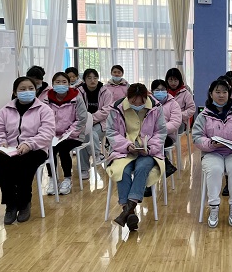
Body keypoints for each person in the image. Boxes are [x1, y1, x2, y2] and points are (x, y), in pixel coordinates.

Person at [0, 77, 55, 224]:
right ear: (15, 92)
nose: (27, 91)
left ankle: (24, 202)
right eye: (22, 89)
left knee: (24, 165)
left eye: (31, 89)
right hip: (11, 149)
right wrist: (0, 143)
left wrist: (29, 144)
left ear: (36, 90)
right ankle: (10, 204)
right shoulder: (5, 110)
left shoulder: (44, 110)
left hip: (36, 149)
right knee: (2, 166)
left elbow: (47, 132)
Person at [106, 83, 167, 231]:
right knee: (123, 171)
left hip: (148, 151)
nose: (138, 105)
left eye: (141, 102)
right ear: (128, 98)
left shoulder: (155, 107)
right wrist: (127, 145)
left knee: (142, 167)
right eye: (134, 102)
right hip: (123, 151)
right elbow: (112, 132)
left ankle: (126, 211)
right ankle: (130, 211)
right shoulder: (117, 108)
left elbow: (160, 132)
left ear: (147, 98)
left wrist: (150, 148)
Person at [193, 79, 232, 228]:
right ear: (211, 94)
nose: (221, 95)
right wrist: (210, 143)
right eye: (217, 92)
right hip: (212, 152)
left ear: (229, 94)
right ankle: (214, 207)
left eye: (225, 92)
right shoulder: (204, 115)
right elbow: (197, 137)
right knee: (215, 169)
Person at [43, 72, 88, 196]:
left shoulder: (77, 98)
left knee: (63, 148)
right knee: (49, 148)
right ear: (53, 84)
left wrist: (67, 134)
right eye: (57, 82)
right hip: (53, 135)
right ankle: (53, 179)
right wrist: (51, 134)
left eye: (64, 82)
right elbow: (43, 119)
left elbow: (81, 119)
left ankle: (67, 179)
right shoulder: (46, 99)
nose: (61, 84)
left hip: (74, 135)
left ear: (69, 84)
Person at [77, 69, 114, 179]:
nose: (92, 80)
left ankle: (84, 168)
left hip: (101, 123)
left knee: (87, 134)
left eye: (95, 78)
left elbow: (107, 110)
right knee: (84, 135)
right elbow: (76, 109)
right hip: (83, 123)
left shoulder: (105, 92)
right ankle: (97, 155)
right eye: (89, 78)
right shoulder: (78, 92)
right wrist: (86, 121)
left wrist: (91, 119)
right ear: (84, 80)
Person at [151, 79, 183, 147]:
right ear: (152, 91)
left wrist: (160, 130)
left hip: (167, 135)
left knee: (156, 143)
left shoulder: (173, 104)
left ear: (167, 90)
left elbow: (175, 122)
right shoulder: (148, 103)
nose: (160, 92)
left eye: (163, 90)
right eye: (157, 90)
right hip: (149, 134)